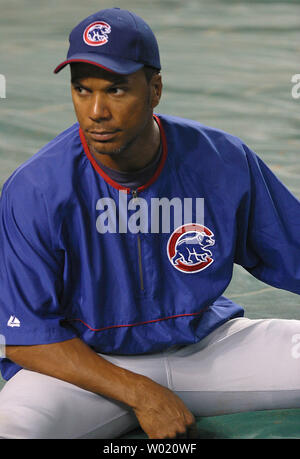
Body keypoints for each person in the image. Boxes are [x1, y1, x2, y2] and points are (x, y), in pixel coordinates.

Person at [0, 7, 299, 440]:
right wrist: (142, 394)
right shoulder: (36, 188)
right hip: (84, 373)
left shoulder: (222, 160)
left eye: (116, 89)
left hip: (209, 350)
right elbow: (25, 337)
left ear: (155, 89)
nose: (96, 110)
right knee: (13, 428)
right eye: (82, 90)